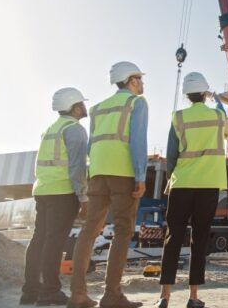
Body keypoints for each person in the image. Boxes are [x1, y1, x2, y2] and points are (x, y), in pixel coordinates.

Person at [67, 62, 148, 308]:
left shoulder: (99, 108)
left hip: (98, 173)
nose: (142, 83)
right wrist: (141, 175)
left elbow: (92, 146)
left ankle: (77, 294)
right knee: (123, 230)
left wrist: (92, 175)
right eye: (140, 79)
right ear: (132, 81)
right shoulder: (137, 103)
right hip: (122, 173)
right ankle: (111, 295)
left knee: (89, 231)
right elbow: (138, 142)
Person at [154, 72, 227, 308]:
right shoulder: (217, 116)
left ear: (186, 95)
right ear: (205, 93)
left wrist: (170, 179)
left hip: (182, 183)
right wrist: (215, 98)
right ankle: (193, 297)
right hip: (208, 184)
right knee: (200, 238)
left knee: (173, 237)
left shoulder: (178, 117)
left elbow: (172, 154)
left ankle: (164, 297)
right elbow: (223, 111)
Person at [20, 88, 89, 306]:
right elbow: (77, 168)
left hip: (43, 190)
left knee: (38, 240)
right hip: (62, 192)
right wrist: (83, 197)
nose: (84, 107)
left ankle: (30, 291)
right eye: (82, 104)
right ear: (76, 107)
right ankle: (50, 290)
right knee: (54, 242)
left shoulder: (49, 130)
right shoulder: (75, 130)